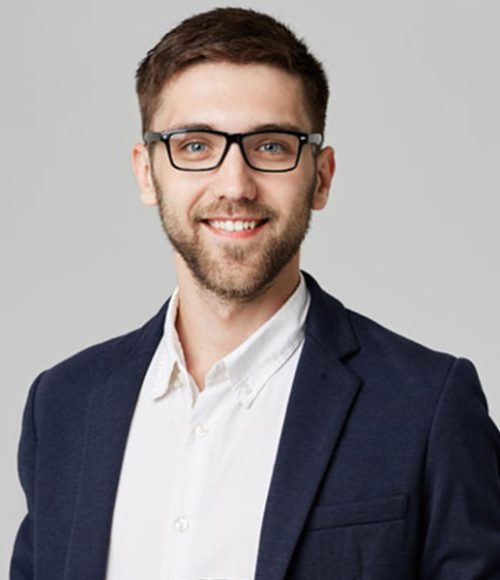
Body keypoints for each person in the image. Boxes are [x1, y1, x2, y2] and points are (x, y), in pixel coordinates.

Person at [10, 7, 500, 580]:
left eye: (270, 146)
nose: (235, 185)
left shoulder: (427, 406)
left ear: (321, 177)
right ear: (147, 173)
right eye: (195, 145)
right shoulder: (63, 406)